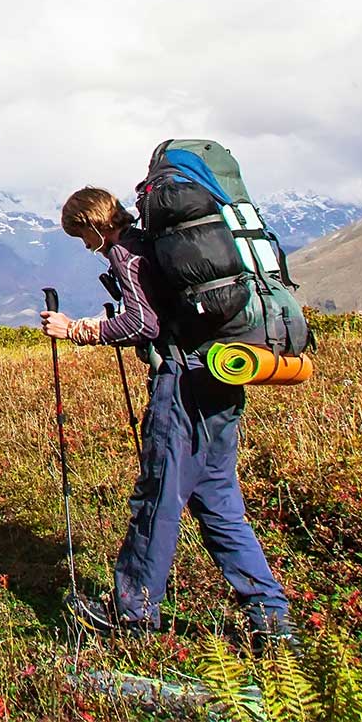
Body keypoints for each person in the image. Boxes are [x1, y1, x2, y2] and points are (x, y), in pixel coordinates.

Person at [39, 186, 295, 647]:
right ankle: (271, 618)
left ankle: (132, 611)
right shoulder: (154, 246)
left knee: (158, 497)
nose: (84, 245)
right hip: (220, 373)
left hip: (181, 385)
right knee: (219, 501)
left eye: (81, 235)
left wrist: (78, 329)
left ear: (94, 224)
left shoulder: (126, 253)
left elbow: (143, 324)